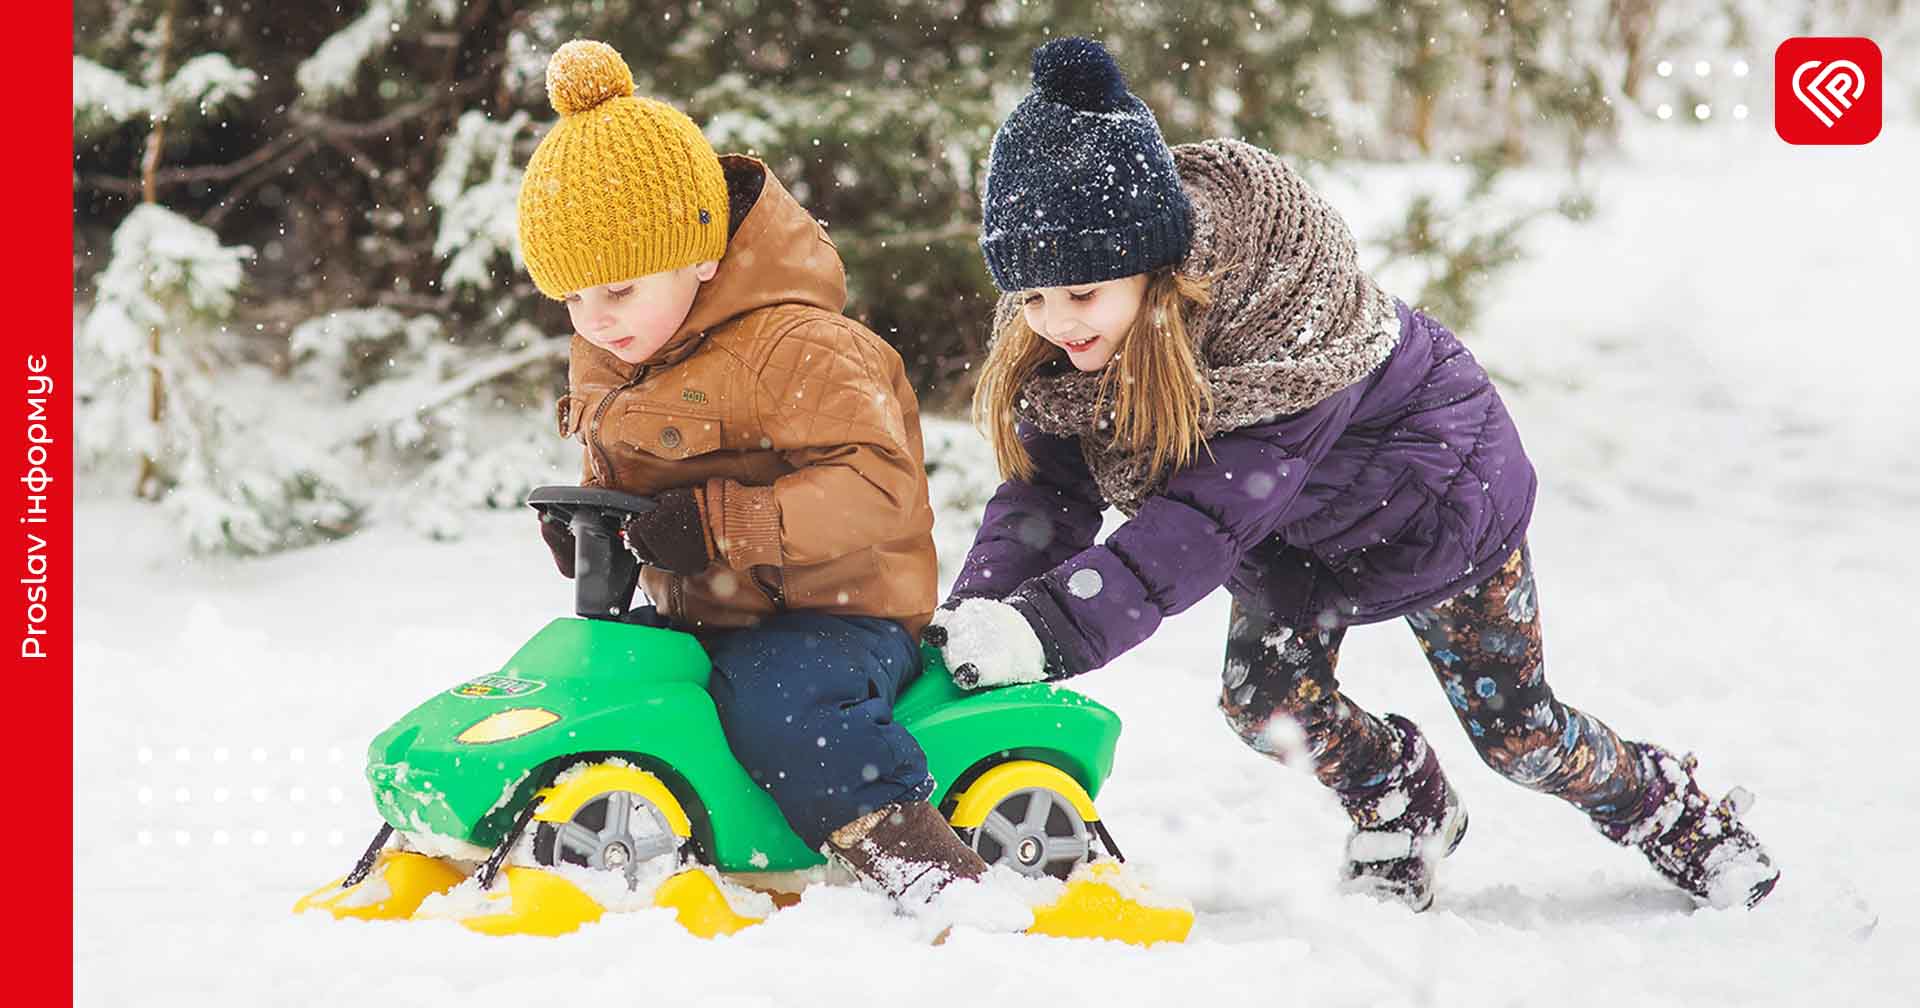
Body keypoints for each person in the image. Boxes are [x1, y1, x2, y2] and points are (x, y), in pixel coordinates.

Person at [923, 37, 1779, 912]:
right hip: (1295, 540)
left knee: (1518, 735)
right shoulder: (1070, 341)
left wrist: (1047, 629)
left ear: (1157, 269)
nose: (1056, 321)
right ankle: (1404, 799)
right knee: (1265, 705)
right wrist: (979, 620)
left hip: (1438, 509)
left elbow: (1197, 522)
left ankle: (1675, 814)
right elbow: (1048, 495)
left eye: (1081, 296)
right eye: (1030, 298)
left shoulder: (1286, 334)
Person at [517, 39, 998, 916]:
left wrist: (723, 527)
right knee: (601, 679)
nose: (596, 320)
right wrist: (603, 531)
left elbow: (880, 487)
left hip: (838, 617)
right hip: (706, 613)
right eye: (574, 299)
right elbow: (629, 479)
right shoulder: (618, 352)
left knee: (786, 706)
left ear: (699, 254)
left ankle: (922, 863)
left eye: (618, 290)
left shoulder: (800, 347)